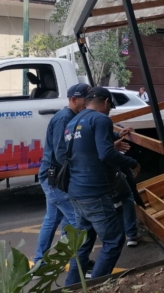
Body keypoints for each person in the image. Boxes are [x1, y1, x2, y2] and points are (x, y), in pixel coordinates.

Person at [64, 87, 141, 286]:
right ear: (106, 101)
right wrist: (132, 162)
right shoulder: (101, 119)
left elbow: (87, 145)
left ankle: (71, 287)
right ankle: (95, 286)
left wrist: (114, 136)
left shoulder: (73, 121)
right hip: (94, 192)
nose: (109, 111)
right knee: (114, 241)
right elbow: (106, 153)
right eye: (110, 107)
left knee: (83, 244)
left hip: (76, 191)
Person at [32, 83, 90, 273]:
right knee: (76, 222)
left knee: (53, 220)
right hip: (55, 179)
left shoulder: (72, 116)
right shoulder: (64, 118)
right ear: (74, 99)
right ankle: (78, 263)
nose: (88, 104)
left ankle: (41, 263)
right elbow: (60, 153)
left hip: (54, 177)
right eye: (86, 100)